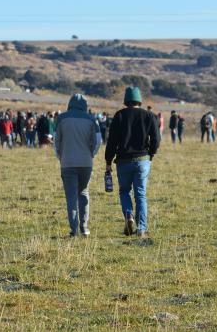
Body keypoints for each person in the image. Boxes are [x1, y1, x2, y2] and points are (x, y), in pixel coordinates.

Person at [105, 86, 160, 238]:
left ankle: (129, 216)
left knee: (124, 191)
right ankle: (141, 228)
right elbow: (156, 139)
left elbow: (112, 141)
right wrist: (151, 153)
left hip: (123, 161)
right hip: (142, 160)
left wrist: (108, 160)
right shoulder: (149, 115)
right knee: (140, 194)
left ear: (126, 100)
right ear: (139, 100)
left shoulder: (119, 115)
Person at [54, 94, 101, 237]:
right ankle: (84, 228)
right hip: (86, 163)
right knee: (83, 192)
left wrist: (60, 156)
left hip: (67, 162)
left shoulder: (61, 118)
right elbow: (98, 141)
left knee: (71, 197)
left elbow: (56, 140)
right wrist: (92, 154)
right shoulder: (92, 119)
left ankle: (74, 230)